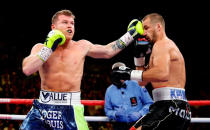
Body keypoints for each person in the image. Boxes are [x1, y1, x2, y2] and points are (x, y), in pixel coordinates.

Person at [20, 9, 144, 130]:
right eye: (65, 22)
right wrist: (48, 48)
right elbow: (27, 69)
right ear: (53, 27)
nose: (70, 26)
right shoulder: (40, 47)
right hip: (43, 108)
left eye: (72, 23)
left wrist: (130, 35)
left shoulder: (82, 46)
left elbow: (108, 51)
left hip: (70, 108)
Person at [111, 13, 191, 130]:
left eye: (146, 28)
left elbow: (162, 74)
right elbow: (142, 82)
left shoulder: (161, 45)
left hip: (169, 107)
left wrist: (129, 74)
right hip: (175, 108)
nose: (143, 33)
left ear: (158, 26)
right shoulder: (162, 48)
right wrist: (139, 56)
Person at [104, 62, 153, 130]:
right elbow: (107, 110)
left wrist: (140, 114)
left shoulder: (138, 84)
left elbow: (149, 103)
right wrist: (115, 114)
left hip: (138, 124)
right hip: (119, 126)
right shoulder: (109, 90)